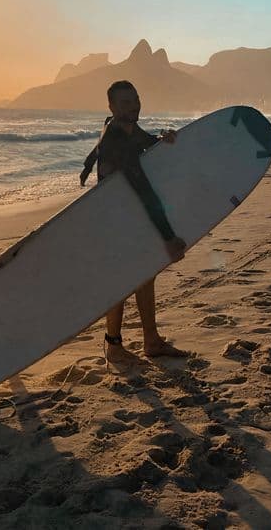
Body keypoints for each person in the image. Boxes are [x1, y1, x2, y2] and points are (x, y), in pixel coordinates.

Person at [80, 80, 187, 363]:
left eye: (135, 99)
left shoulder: (125, 129)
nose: (133, 106)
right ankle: (115, 345)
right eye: (125, 102)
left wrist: (163, 141)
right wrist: (168, 236)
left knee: (143, 275)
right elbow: (142, 188)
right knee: (122, 280)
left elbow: (145, 142)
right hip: (115, 220)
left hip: (126, 217)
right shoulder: (116, 139)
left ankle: (150, 340)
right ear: (112, 107)